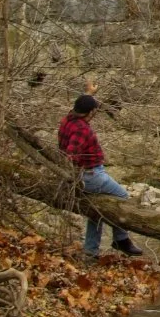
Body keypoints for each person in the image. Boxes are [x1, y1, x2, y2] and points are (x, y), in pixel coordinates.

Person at [58, 95, 143, 259]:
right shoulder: (81, 129)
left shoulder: (68, 119)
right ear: (90, 112)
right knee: (123, 198)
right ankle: (121, 239)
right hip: (91, 175)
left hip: (87, 173)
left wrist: (89, 93)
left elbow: (83, 104)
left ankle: (91, 250)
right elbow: (70, 154)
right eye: (94, 110)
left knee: (96, 210)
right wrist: (74, 178)